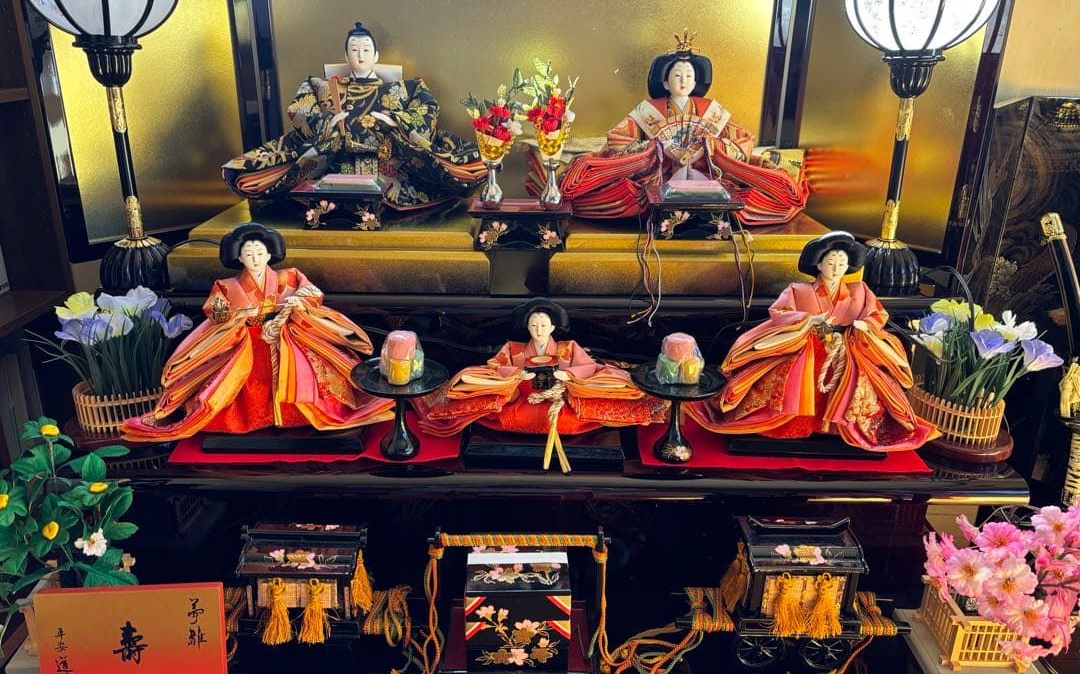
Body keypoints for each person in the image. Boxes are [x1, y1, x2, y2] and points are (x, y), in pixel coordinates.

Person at [122, 223, 393, 441]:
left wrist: (298, 300)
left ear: (270, 254)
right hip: (248, 341)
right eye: (249, 254)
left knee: (304, 377)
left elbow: (312, 292)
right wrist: (236, 314)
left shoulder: (288, 276)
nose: (255, 258)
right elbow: (215, 312)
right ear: (239, 257)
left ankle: (296, 417)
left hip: (285, 337)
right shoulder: (226, 285)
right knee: (242, 385)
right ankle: (246, 419)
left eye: (260, 253)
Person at [687, 231, 935, 450]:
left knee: (859, 383)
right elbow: (779, 312)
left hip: (845, 346)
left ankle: (834, 427)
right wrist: (807, 320)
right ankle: (793, 422)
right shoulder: (799, 290)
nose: (836, 268)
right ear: (818, 264)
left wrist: (865, 325)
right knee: (791, 378)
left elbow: (877, 314)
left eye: (842, 263)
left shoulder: (859, 291)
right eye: (831, 262)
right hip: (807, 342)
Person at [222, 22, 484, 210]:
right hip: (338, 165)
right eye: (354, 50)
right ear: (346, 55)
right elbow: (299, 110)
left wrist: (396, 121)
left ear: (376, 55)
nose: (360, 55)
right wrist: (326, 123)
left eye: (366, 50)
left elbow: (426, 109)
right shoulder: (323, 87)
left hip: (391, 167)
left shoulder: (404, 88)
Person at [554, 33, 809, 225]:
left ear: (697, 81)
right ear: (665, 82)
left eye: (689, 76)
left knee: (753, 193)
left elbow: (743, 139)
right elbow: (617, 140)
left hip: (707, 176)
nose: (684, 81)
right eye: (677, 75)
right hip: (658, 177)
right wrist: (653, 149)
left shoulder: (711, 110)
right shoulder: (648, 110)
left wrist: (711, 148)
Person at [417, 298, 666, 437]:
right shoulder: (513, 348)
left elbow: (589, 367)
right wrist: (517, 374)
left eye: (544, 325)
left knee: (569, 421)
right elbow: (494, 366)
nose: (538, 330)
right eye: (534, 325)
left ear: (553, 327)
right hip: (521, 402)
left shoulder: (568, 347)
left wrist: (568, 374)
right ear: (527, 327)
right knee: (503, 414)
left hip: (561, 404)